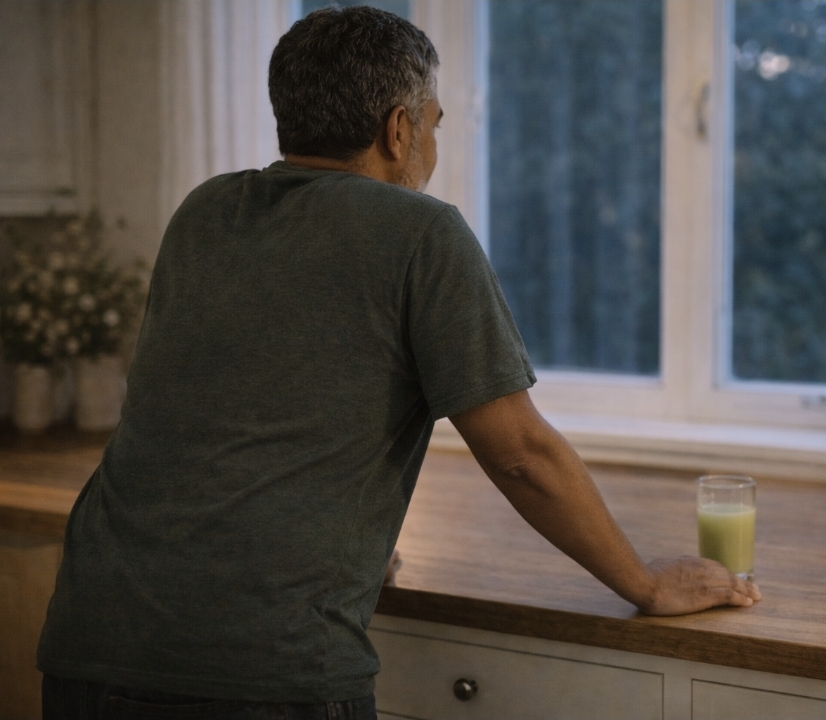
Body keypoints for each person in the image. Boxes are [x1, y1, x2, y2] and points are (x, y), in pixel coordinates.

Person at [37, 7, 761, 720]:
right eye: (434, 123)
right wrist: (644, 583)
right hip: (262, 665)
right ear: (397, 128)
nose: (433, 145)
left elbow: (233, 405)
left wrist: (346, 547)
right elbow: (519, 454)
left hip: (92, 636)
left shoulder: (206, 210)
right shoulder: (420, 232)